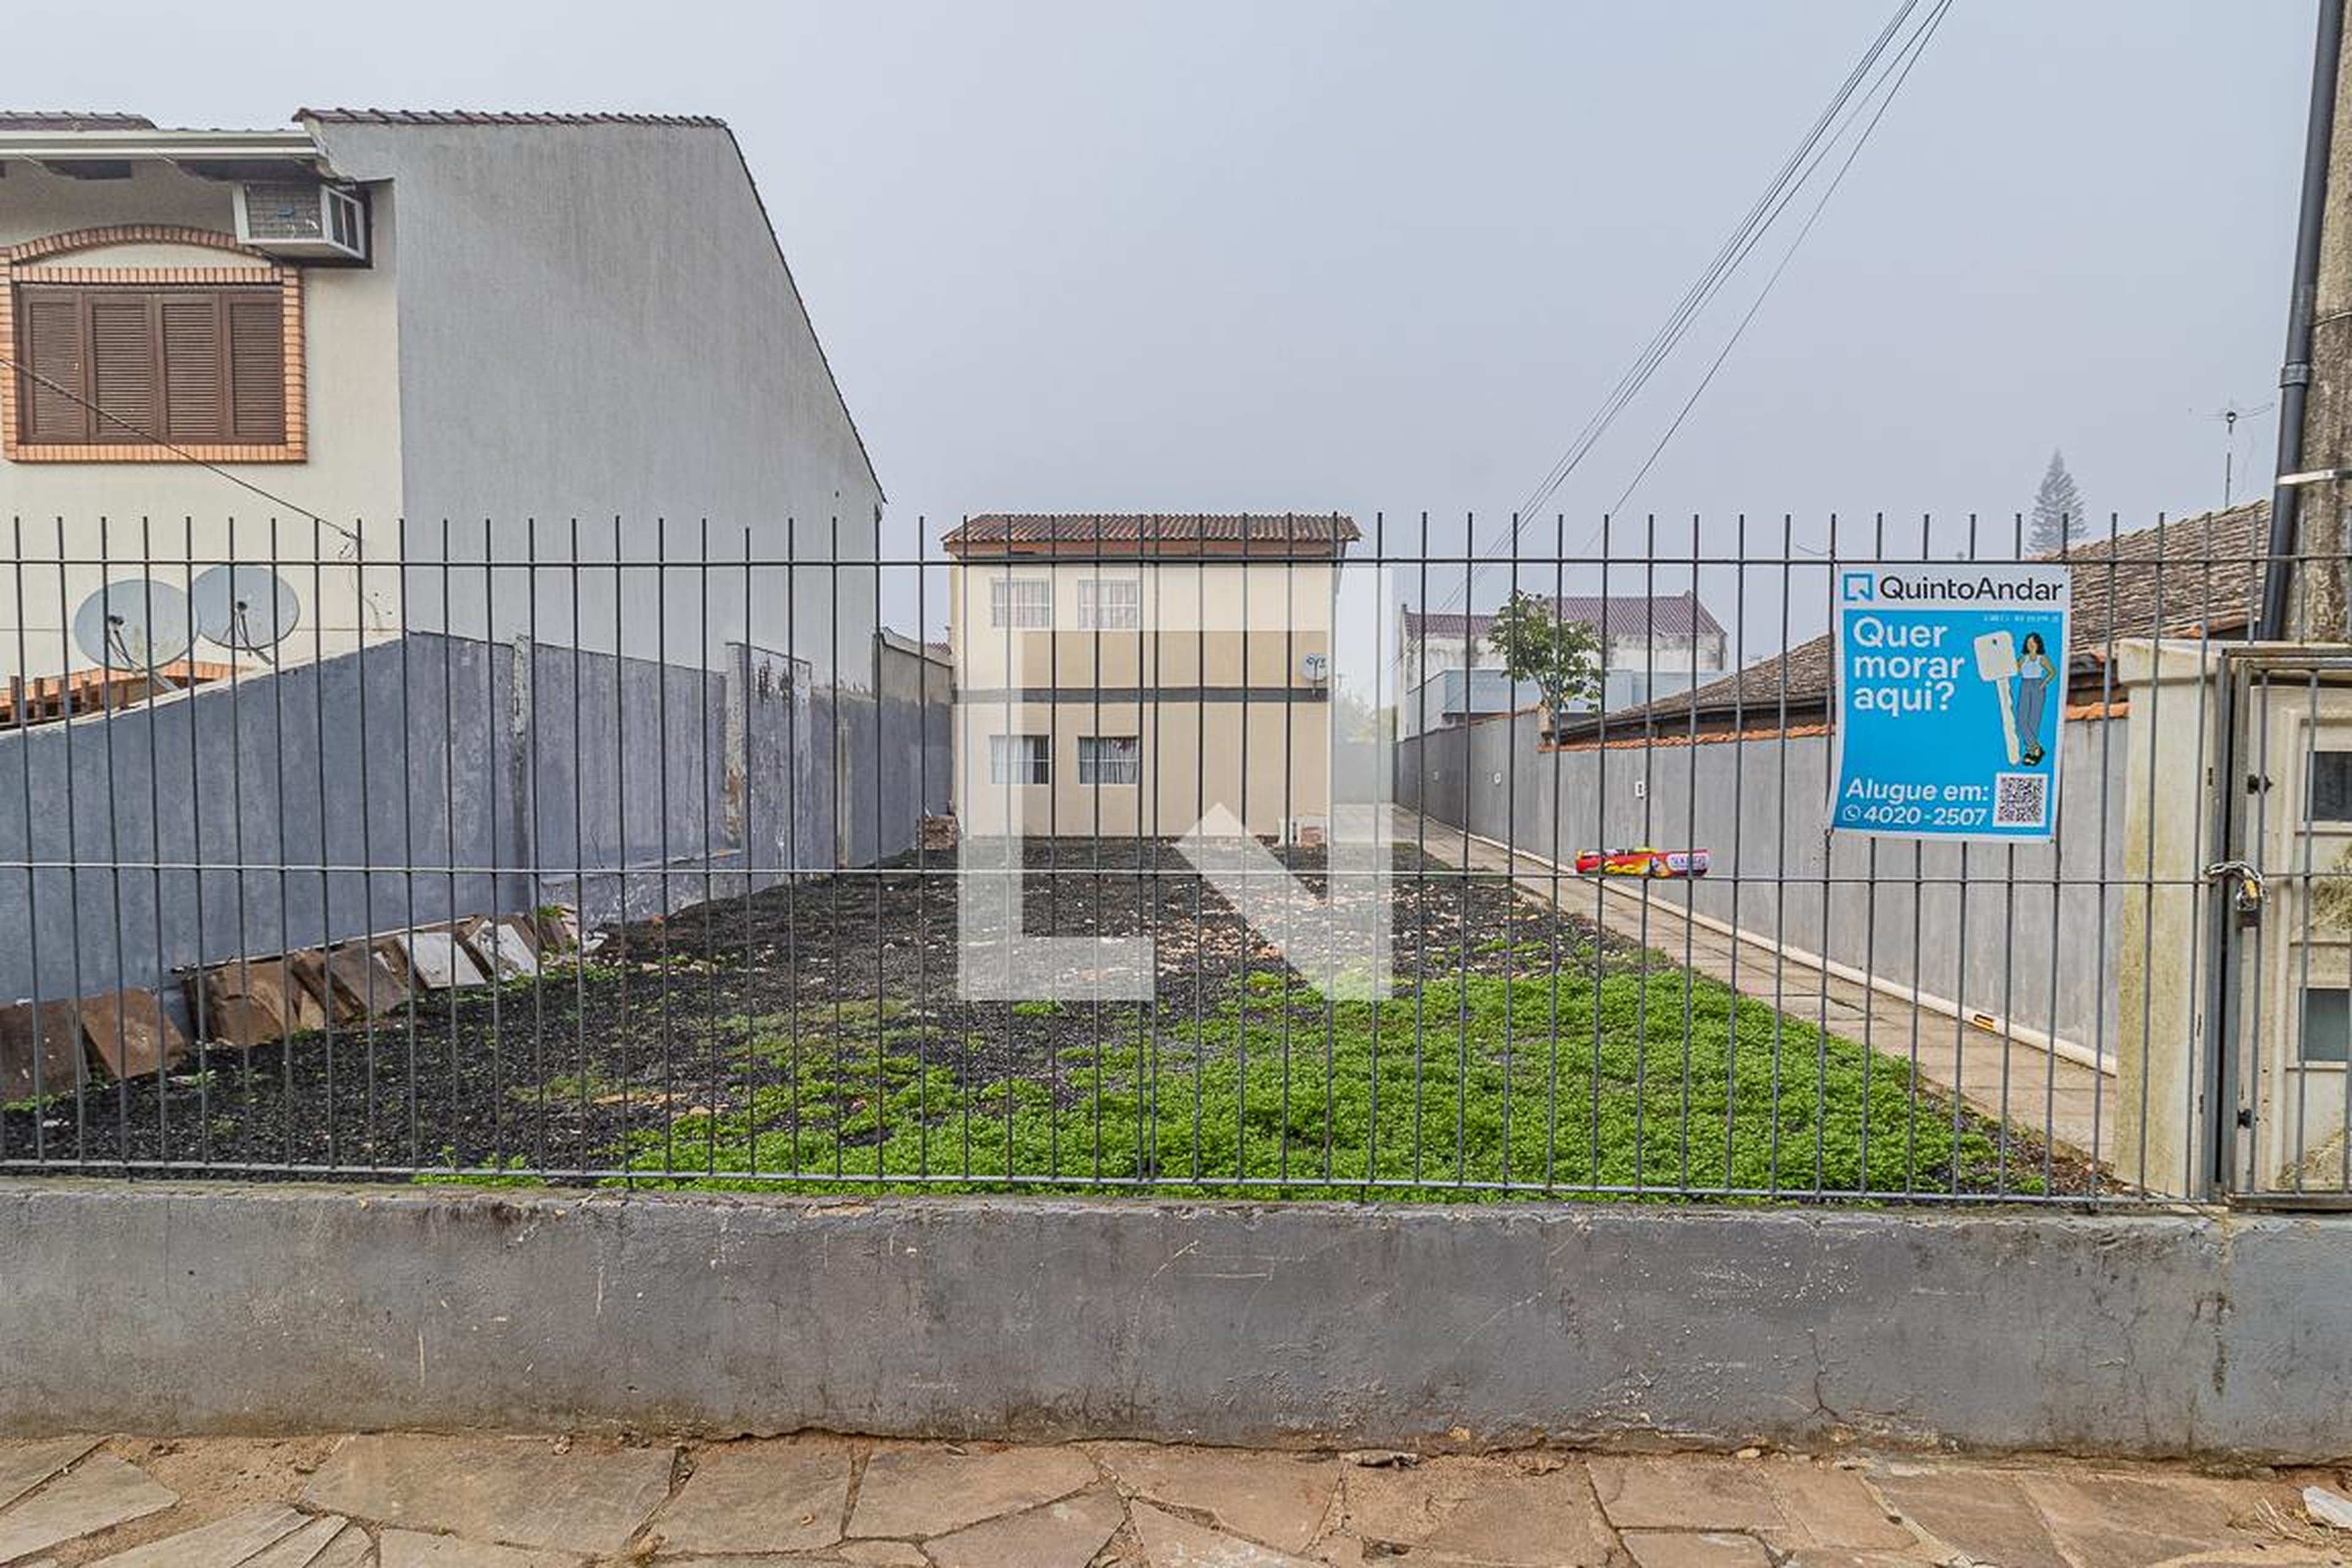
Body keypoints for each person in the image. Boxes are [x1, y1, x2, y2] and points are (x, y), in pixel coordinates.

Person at [2014, 631, 2055, 766]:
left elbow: (2052, 672)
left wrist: (2043, 684)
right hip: (2025, 685)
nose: (2030, 645)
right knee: (2021, 720)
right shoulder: (2023, 658)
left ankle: (2031, 752)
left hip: (2037, 685)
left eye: (2033, 643)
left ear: (2038, 644)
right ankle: (2036, 748)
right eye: (2028, 643)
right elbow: (2015, 670)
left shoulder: (2041, 658)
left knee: (2034, 720)